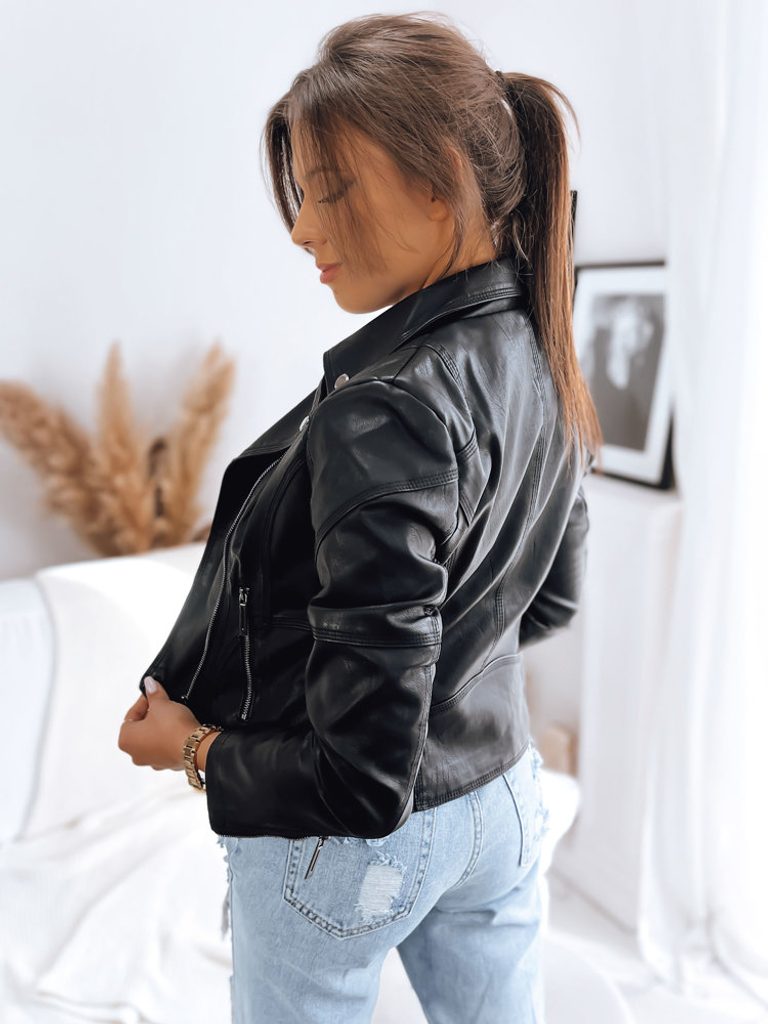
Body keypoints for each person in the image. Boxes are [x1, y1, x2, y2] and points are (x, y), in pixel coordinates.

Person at [118, 11, 603, 1023]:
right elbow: (548, 602)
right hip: (503, 798)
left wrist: (194, 749)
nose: (302, 228)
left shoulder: (386, 410)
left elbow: (362, 781)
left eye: (330, 189)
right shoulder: (542, 341)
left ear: (441, 183)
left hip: (356, 857)